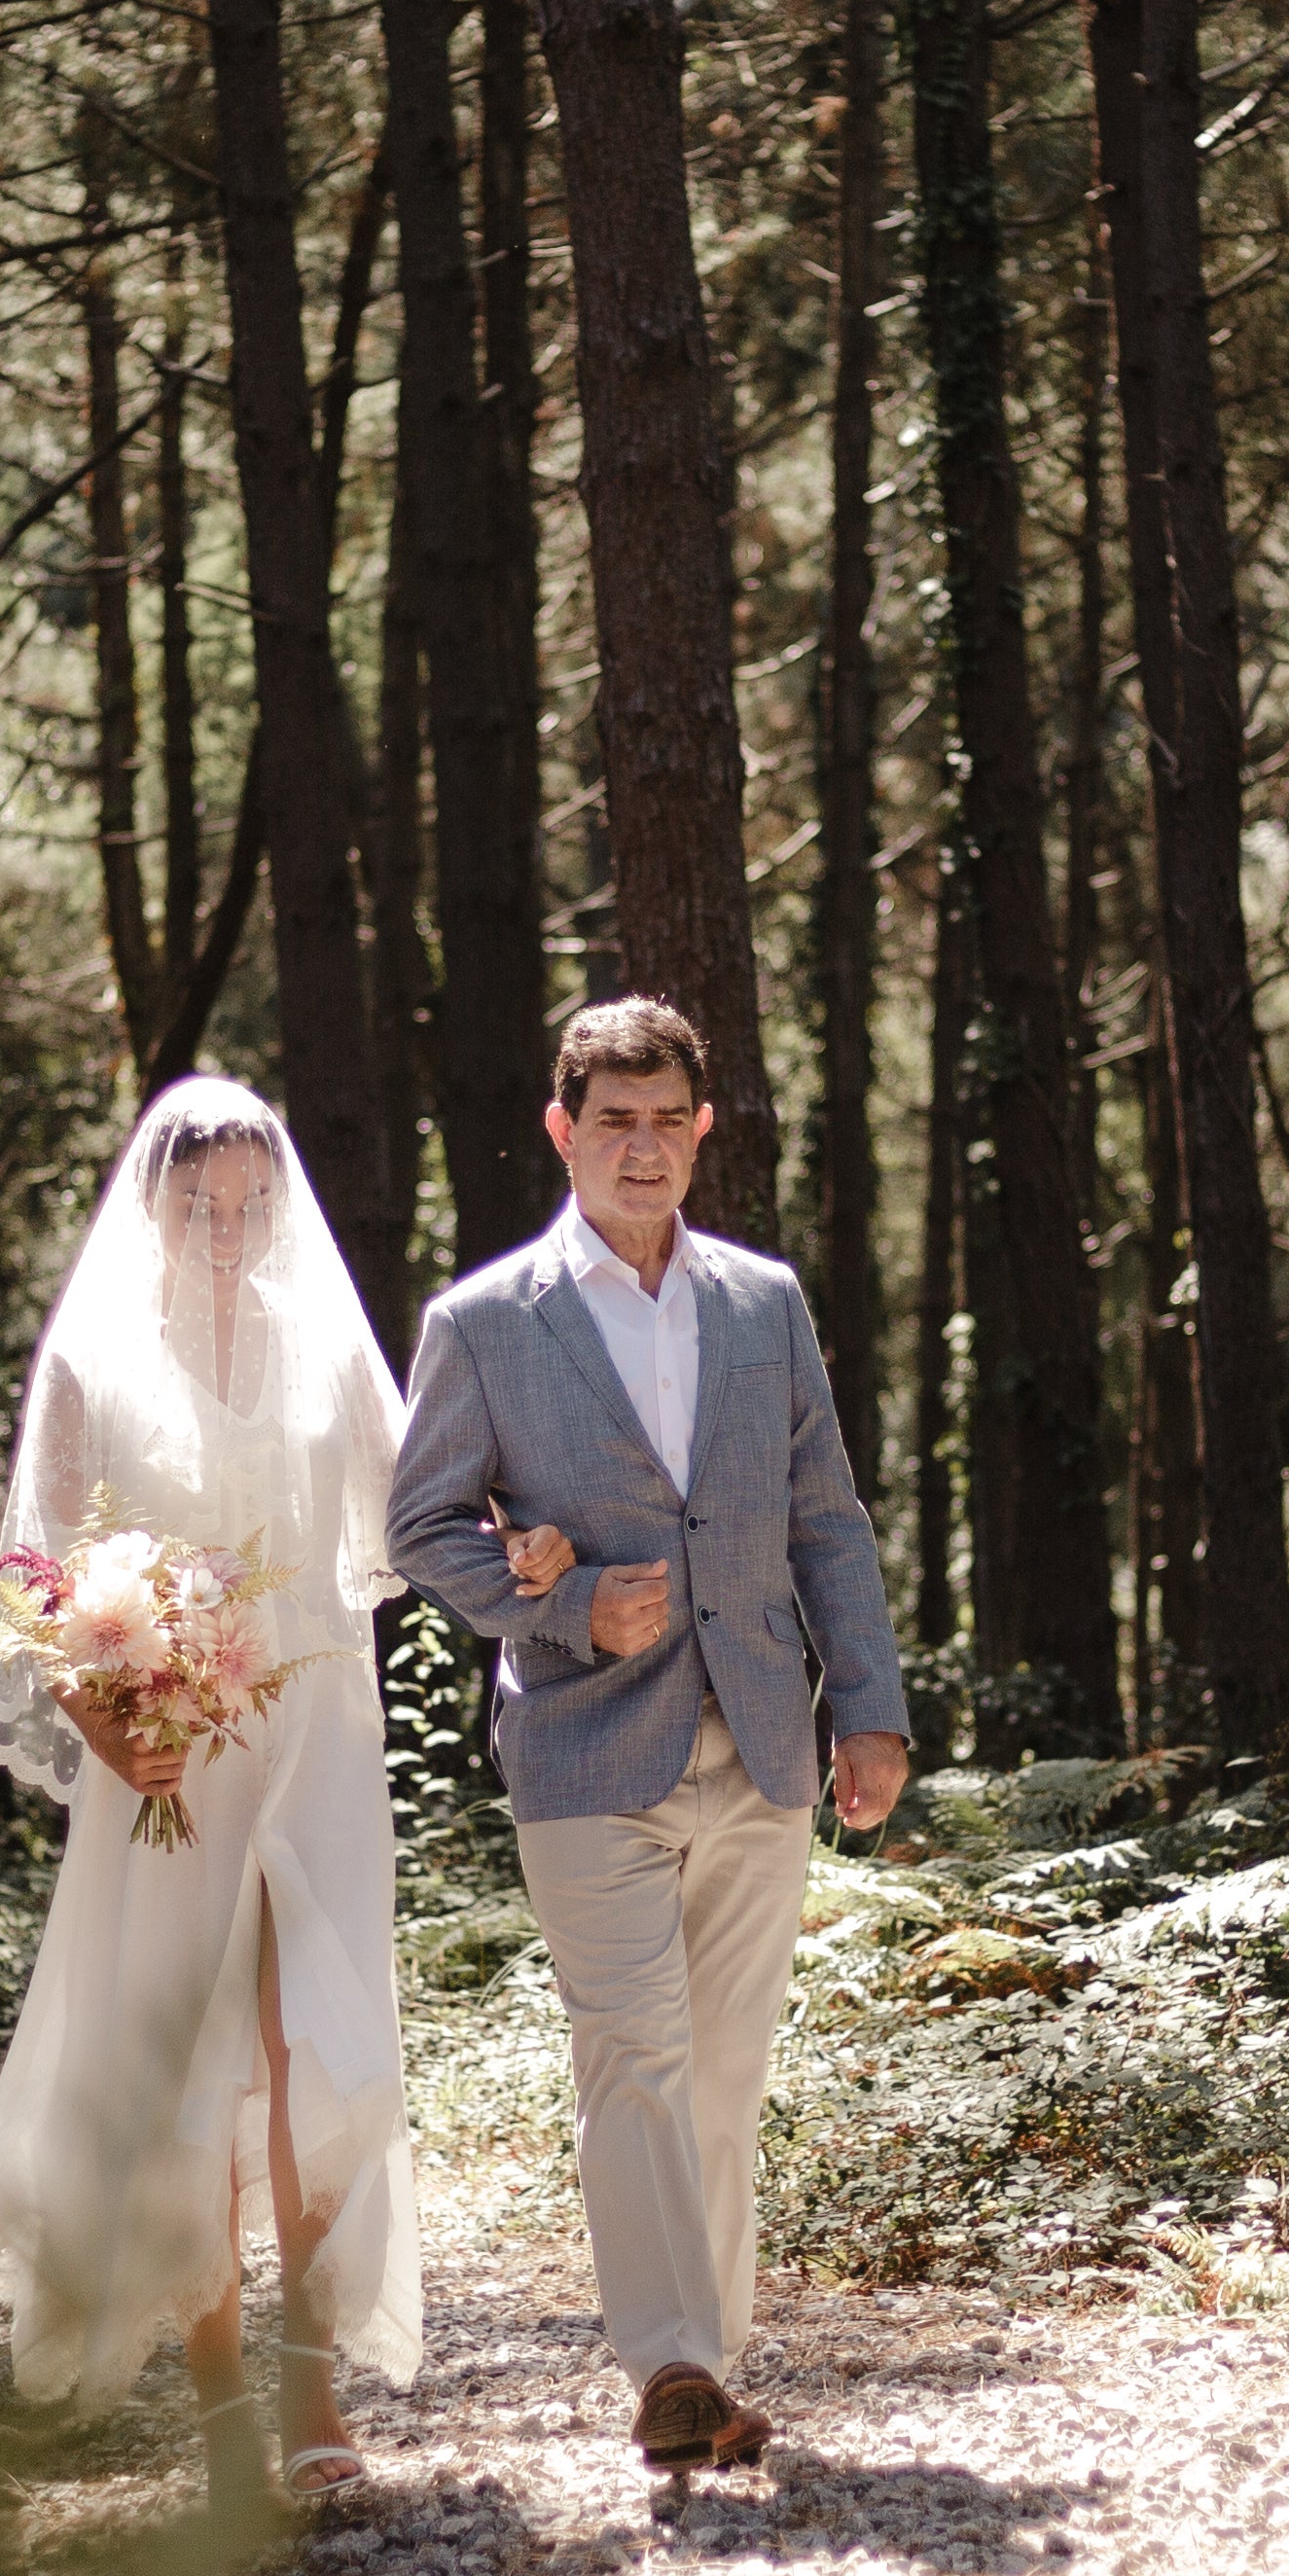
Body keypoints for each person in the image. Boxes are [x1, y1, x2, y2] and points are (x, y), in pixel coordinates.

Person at [386, 997, 913, 2479]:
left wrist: (866, 1710)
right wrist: (556, 1618)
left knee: (726, 2073)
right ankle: (670, 2363)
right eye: (610, 1120)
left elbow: (827, 1521)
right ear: (563, 1132)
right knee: (633, 2053)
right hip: (580, 1754)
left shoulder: (764, 1303)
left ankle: (710, 2365)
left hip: (759, 1741)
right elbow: (422, 1527)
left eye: (664, 1118)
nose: (640, 1145)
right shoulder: (485, 1323)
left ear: (701, 1131)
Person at [0, 1080, 437, 2512]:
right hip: (169, 1752)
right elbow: (34, 1576)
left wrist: (536, 1546)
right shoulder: (92, 1364)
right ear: (154, 1211)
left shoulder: (325, 1355)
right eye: (196, 1206)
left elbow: (411, 1504)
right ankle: (221, 2388)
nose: (225, 1230)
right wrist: (105, 1720)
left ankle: (310, 2377)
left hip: (316, 1730)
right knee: (192, 2067)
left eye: (247, 1206)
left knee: (313, 2039)